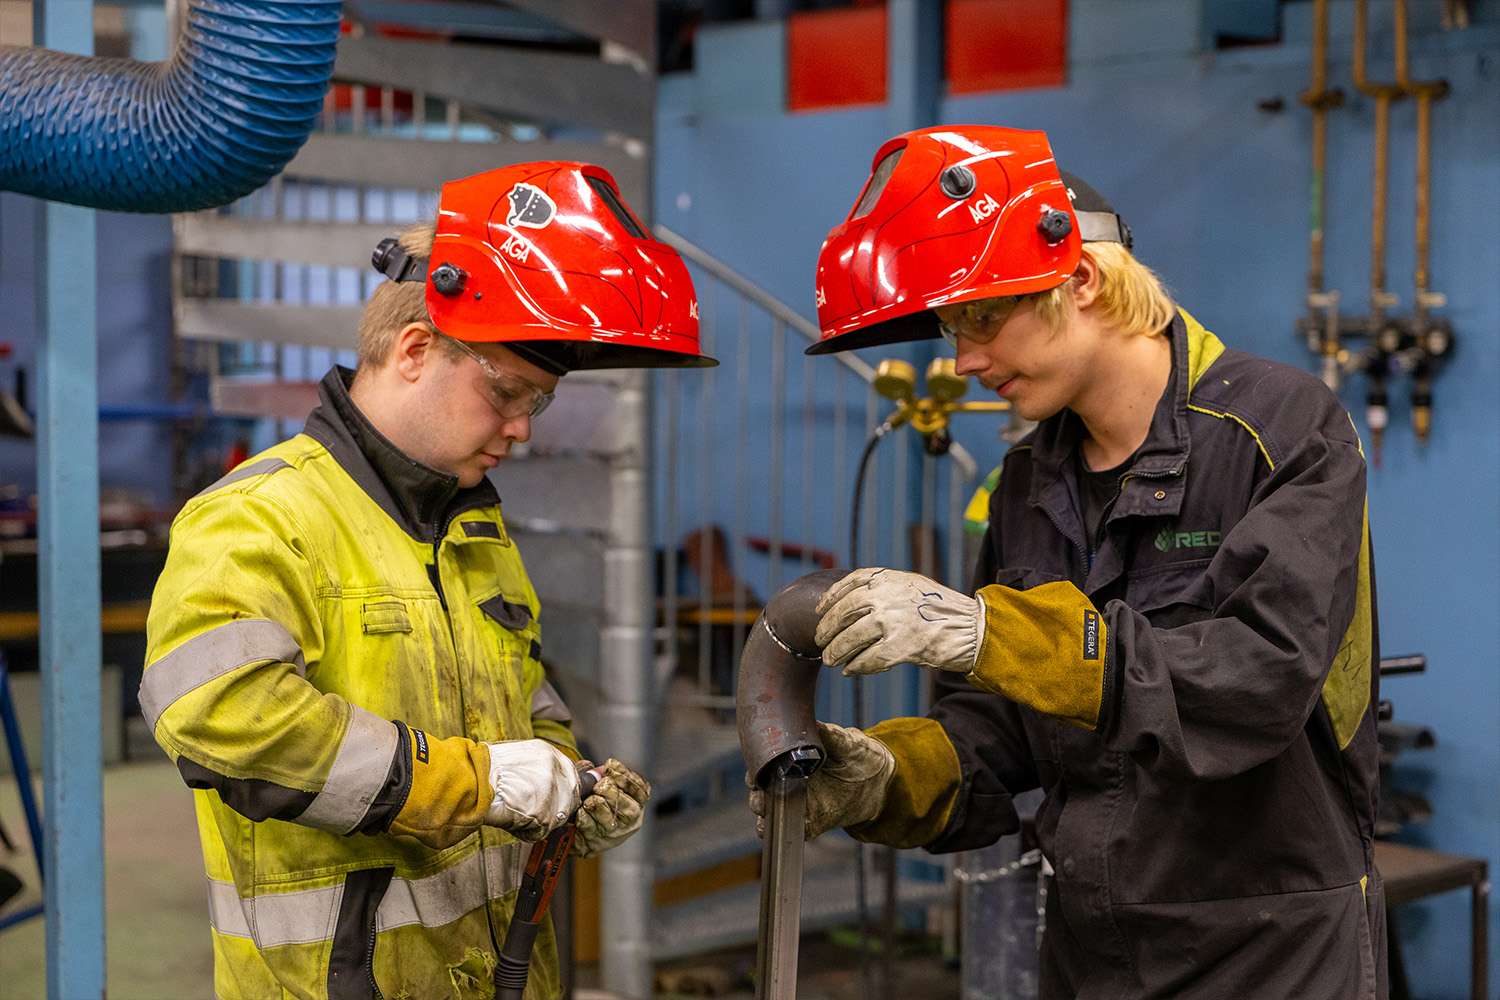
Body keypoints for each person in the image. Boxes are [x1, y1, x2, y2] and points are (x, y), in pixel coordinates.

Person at [787, 125, 1384, 998]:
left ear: (1083, 279)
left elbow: (1259, 679)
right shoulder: (1026, 481)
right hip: (1090, 947)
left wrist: (995, 631)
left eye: (984, 317)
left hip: (1268, 950)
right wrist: (886, 776)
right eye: (954, 327)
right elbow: (998, 734)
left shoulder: (1282, 430)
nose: (966, 360)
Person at [142, 162, 716, 1000]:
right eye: (508, 390)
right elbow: (220, 715)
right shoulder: (260, 516)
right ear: (416, 349)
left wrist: (567, 783)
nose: (522, 428)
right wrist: (476, 783)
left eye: (540, 402)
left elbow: (528, 703)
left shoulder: (474, 527)